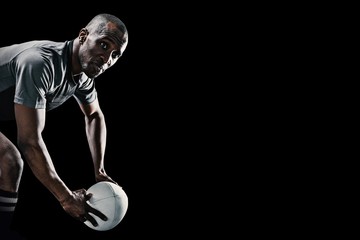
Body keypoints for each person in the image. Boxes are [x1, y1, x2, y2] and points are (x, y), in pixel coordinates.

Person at [0, 13, 128, 238]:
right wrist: (66, 198)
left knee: (9, 164)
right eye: (104, 44)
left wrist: (99, 170)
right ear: (83, 36)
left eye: (115, 54)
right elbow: (29, 141)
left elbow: (95, 115)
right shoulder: (40, 63)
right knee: (10, 160)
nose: (107, 58)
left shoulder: (83, 76)